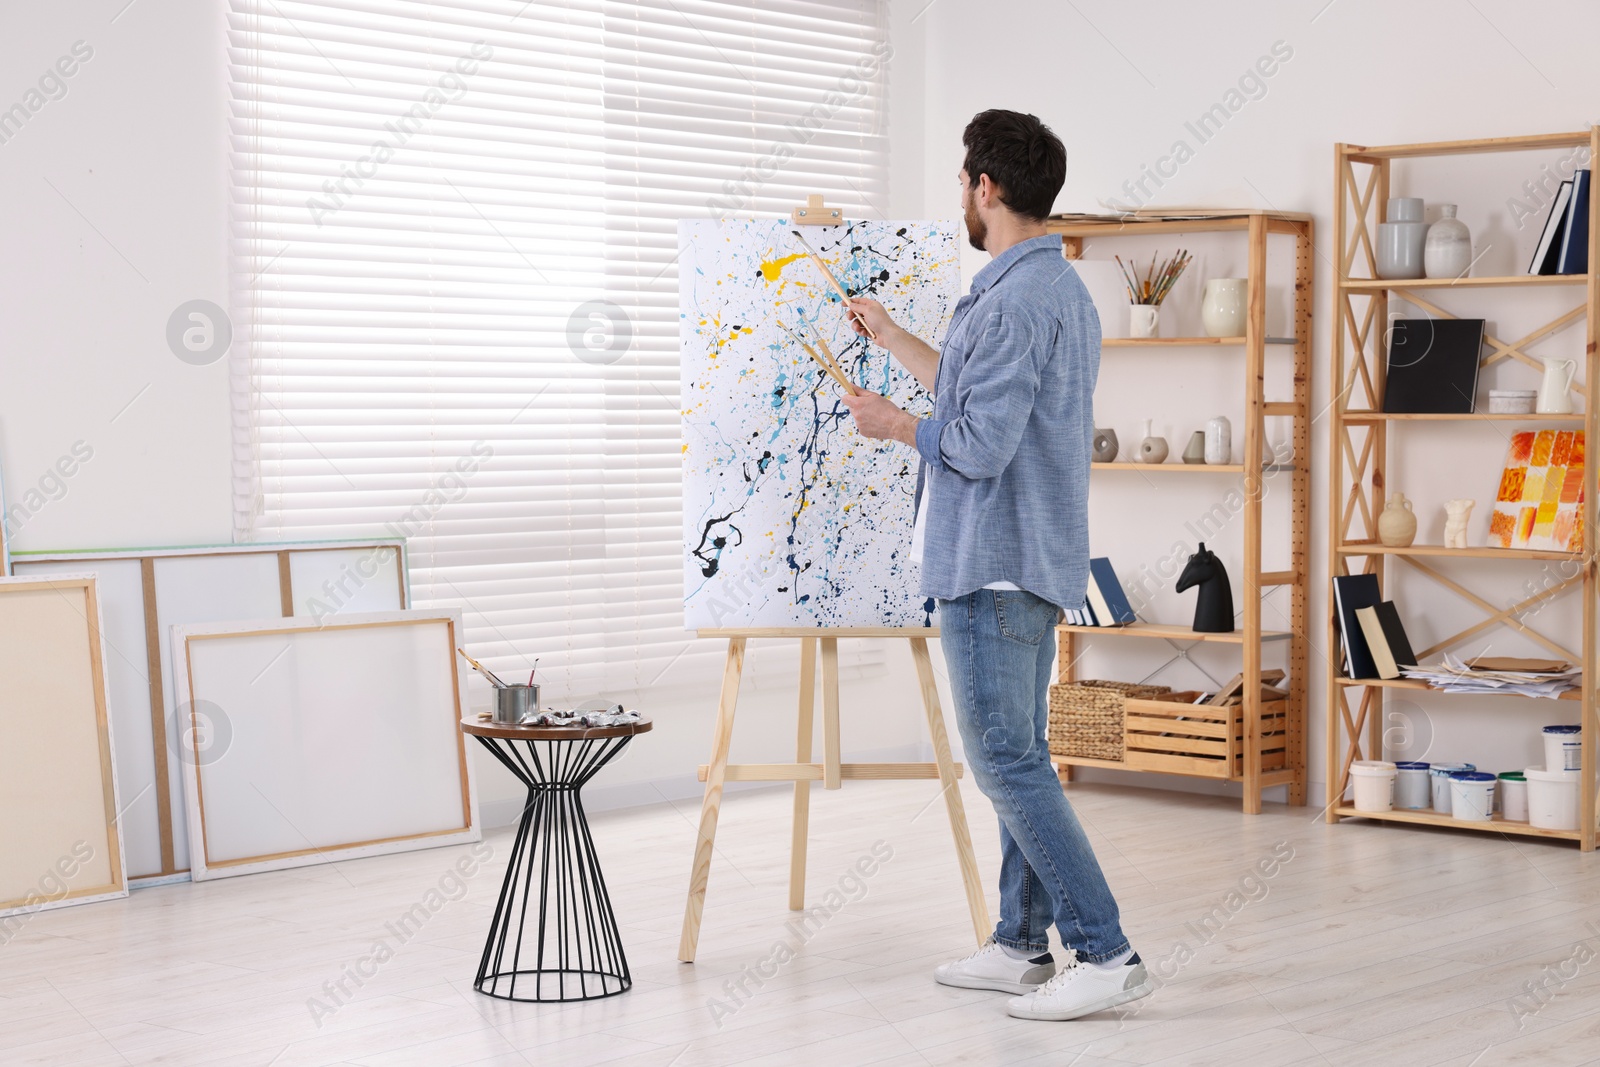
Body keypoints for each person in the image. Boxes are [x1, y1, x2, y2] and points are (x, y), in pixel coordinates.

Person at [839, 109, 1150, 1022]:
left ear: (986, 186)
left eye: (964, 181)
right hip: (1021, 561)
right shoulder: (1038, 289)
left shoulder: (1016, 299)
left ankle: (1106, 950)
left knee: (1006, 762)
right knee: (1024, 753)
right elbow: (976, 398)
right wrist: (895, 338)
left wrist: (892, 425)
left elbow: (974, 445)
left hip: (995, 566)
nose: (962, 198)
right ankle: (1021, 944)